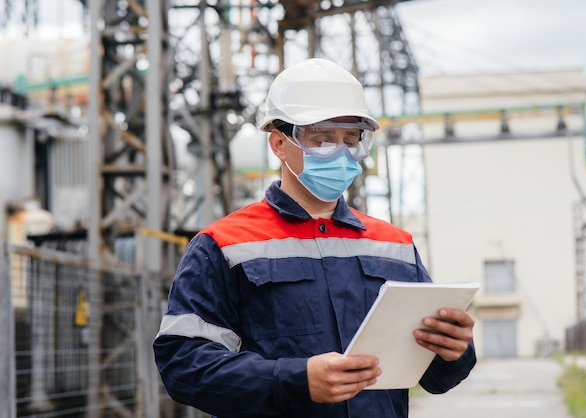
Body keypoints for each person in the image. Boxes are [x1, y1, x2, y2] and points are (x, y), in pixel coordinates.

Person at [153, 58, 476, 418]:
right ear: (279, 143)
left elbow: (434, 379)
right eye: (322, 140)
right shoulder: (223, 245)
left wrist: (454, 350)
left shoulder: (394, 245)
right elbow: (184, 366)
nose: (341, 154)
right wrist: (294, 379)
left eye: (351, 140)